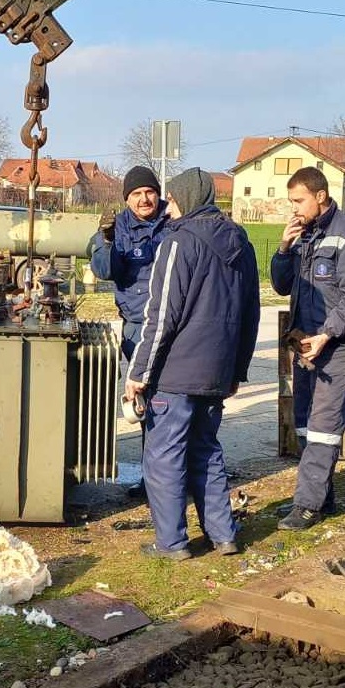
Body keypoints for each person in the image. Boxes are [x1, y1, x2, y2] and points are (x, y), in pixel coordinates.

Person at [124, 168, 261, 560]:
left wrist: (138, 374)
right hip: (217, 372)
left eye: (172, 197)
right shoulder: (242, 244)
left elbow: (161, 314)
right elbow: (251, 312)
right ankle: (224, 536)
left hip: (177, 373)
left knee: (164, 457)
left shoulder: (178, 243)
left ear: (187, 196)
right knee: (206, 450)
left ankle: (171, 543)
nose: (168, 205)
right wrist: (237, 371)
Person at [270, 166, 345, 531]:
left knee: (324, 428)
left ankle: (306, 505)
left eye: (299, 201)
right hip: (305, 345)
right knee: (304, 425)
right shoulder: (304, 236)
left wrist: (328, 334)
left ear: (320, 196)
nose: (294, 209)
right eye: (291, 202)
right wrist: (284, 248)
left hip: (337, 346)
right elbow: (282, 287)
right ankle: (322, 495)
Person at [90, 165, 170, 498]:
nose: (144, 199)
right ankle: (154, 479)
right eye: (136, 194)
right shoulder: (116, 227)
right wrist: (107, 241)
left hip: (172, 324)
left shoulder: (173, 221)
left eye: (149, 192)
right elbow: (104, 270)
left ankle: (174, 477)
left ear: (158, 194)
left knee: (171, 403)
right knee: (147, 404)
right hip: (137, 327)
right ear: (127, 199)